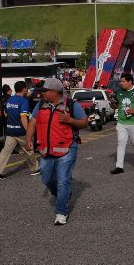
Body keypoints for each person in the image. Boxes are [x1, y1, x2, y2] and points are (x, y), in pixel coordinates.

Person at [24, 78, 87, 225]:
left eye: (45, 91)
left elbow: (84, 122)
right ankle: (62, 196)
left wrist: (69, 120)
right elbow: (33, 122)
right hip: (46, 149)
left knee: (63, 180)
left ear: (54, 92)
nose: (42, 94)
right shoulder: (40, 105)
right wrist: (28, 139)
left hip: (67, 148)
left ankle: (61, 212)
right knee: (46, 178)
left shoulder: (71, 105)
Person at [0, 81, 40, 180]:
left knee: (5, 151)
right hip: (20, 131)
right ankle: (35, 169)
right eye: (26, 88)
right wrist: (28, 131)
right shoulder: (23, 101)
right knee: (29, 149)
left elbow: (6, 114)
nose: (27, 90)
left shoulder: (10, 100)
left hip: (10, 130)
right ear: (23, 89)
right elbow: (23, 117)